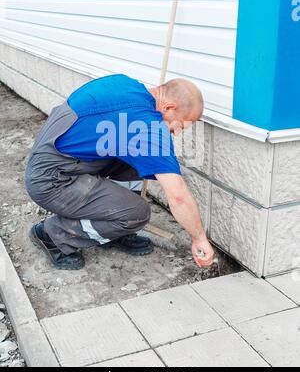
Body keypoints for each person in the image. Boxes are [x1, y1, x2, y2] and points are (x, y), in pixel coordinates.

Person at [25, 74, 215, 270]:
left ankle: (114, 230)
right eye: (179, 125)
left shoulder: (127, 85)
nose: (176, 132)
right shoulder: (147, 126)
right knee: (137, 214)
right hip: (52, 181)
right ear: (168, 108)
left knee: (138, 162)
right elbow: (178, 196)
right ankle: (52, 234)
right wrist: (199, 238)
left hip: (57, 160)